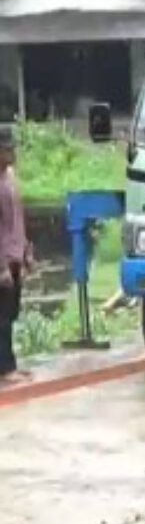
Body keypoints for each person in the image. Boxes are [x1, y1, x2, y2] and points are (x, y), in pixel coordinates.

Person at [0, 124, 32, 385]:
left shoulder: (10, 177)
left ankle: (9, 363)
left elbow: (18, 219)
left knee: (10, 313)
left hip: (14, 255)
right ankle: (4, 368)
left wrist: (26, 251)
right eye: (8, 148)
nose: (13, 153)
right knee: (1, 315)